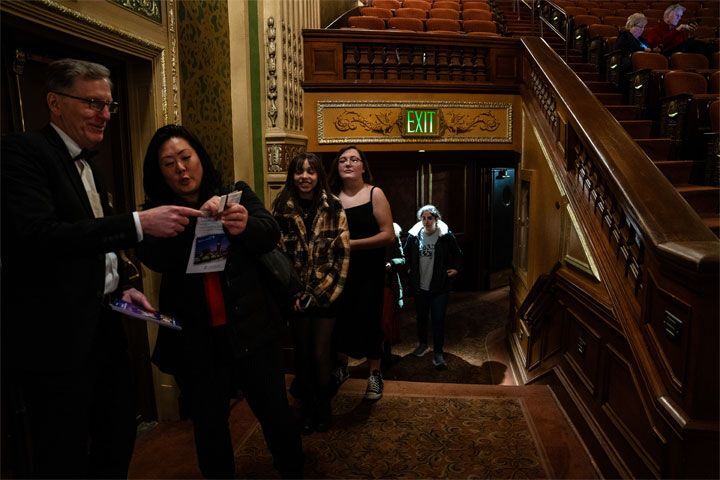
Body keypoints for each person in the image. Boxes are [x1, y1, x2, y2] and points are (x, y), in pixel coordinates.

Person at [0, 58, 202, 477]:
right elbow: (41, 236)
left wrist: (118, 290)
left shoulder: (90, 165)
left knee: (116, 438)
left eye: (109, 105)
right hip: (56, 341)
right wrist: (137, 224)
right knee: (64, 452)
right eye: (93, 103)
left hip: (106, 330)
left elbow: (91, 246)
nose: (105, 115)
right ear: (55, 103)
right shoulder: (22, 153)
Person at [136, 124, 303, 478]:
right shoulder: (157, 214)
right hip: (198, 343)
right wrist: (188, 224)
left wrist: (243, 223)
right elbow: (155, 259)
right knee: (210, 431)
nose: (181, 169)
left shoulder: (235, 193)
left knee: (277, 416)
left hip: (253, 331)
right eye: (169, 164)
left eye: (186, 157)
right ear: (159, 172)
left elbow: (269, 231)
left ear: (200, 158)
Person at [271, 152, 350, 434]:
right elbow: (276, 255)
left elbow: (341, 256)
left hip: (326, 293)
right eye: (299, 171)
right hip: (294, 293)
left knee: (320, 352)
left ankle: (323, 405)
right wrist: (293, 292)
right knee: (302, 353)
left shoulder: (334, 207)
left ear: (319, 176)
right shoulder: (280, 207)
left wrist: (316, 293)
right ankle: (307, 408)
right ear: (292, 176)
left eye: (311, 171)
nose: (305, 176)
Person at [328, 145, 395, 400]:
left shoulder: (374, 194)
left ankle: (375, 375)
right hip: (338, 271)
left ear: (363, 167)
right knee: (340, 319)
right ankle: (342, 368)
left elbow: (387, 235)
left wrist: (350, 245)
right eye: (343, 160)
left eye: (354, 159)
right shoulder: (332, 197)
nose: (348, 163)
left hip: (369, 271)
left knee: (369, 319)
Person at [404, 205, 463, 370]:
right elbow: (406, 253)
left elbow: (458, 253)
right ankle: (423, 345)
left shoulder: (445, 236)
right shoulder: (415, 236)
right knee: (421, 318)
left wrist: (456, 268)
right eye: (423, 218)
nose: (426, 221)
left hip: (439, 287)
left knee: (438, 320)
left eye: (430, 218)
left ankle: (438, 353)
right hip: (420, 287)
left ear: (436, 219)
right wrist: (410, 269)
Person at [645, 4, 716, 56]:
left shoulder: (679, 31)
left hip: (681, 59)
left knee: (706, 46)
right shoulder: (654, 31)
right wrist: (678, 29)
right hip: (666, 57)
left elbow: (683, 47)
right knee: (692, 43)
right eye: (677, 15)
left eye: (680, 16)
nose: (679, 18)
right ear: (667, 15)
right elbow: (661, 45)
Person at [381, 222, 406, 369]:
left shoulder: (394, 237)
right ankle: (378, 355)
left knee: (388, 321)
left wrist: (391, 263)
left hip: (388, 285)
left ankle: (387, 355)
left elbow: (402, 259)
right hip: (373, 284)